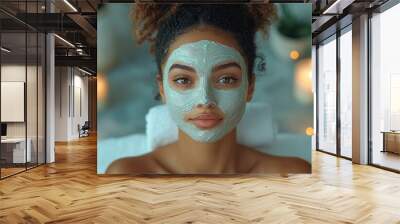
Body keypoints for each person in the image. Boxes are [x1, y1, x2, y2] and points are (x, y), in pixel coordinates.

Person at [106, 3, 311, 174]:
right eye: (183, 80)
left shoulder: (289, 175)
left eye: (226, 79)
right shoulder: (127, 175)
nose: (205, 100)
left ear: (250, 87)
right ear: (162, 88)